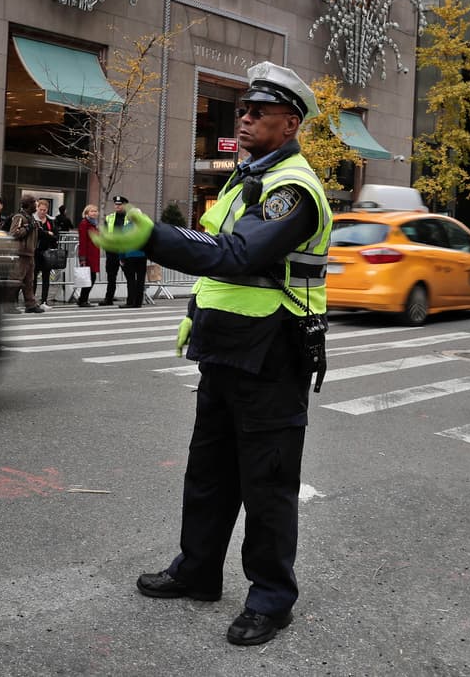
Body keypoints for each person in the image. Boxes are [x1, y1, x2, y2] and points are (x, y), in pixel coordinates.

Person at [93, 61, 332, 646]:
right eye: (242, 111)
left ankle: (272, 599)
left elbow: (236, 254)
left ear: (291, 122)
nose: (244, 118)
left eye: (258, 112)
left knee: (267, 484)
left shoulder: (293, 190)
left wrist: (152, 236)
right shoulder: (241, 179)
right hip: (225, 347)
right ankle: (198, 569)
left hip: (274, 353)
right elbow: (216, 261)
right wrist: (194, 316)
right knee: (208, 471)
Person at [8, 194, 45, 313]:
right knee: (15, 280)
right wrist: (29, 228)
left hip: (29, 254)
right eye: (34, 203)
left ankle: (30, 304)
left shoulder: (31, 217)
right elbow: (13, 234)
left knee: (29, 281)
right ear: (28, 204)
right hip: (20, 254)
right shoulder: (19, 217)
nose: (36, 205)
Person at [99, 195, 130, 305]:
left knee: (129, 275)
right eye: (116, 204)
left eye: (119, 204)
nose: (117, 206)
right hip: (112, 251)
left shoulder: (129, 217)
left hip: (124, 251)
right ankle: (109, 299)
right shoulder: (110, 217)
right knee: (111, 276)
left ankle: (131, 298)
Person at [34, 198, 59, 309]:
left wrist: (48, 234)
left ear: (47, 209)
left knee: (46, 277)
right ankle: (32, 300)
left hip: (47, 252)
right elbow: (36, 234)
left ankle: (44, 301)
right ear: (37, 208)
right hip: (35, 251)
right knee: (33, 277)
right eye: (41, 209)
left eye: (44, 210)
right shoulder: (34, 220)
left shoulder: (51, 221)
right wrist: (47, 233)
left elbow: (56, 236)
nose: (42, 212)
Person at [76, 203, 101, 307]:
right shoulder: (84, 223)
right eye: (92, 211)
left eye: (95, 211)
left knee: (91, 277)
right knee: (90, 278)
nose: (94, 213)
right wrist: (82, 258)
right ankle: (82, 299)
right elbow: (83, 241)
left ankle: (83, 299)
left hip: (94, 255)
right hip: (87, 255)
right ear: (86, 213)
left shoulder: (94, 224)